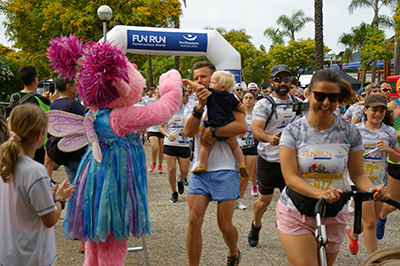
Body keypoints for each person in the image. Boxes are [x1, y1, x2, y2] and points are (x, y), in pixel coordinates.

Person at [276, 69, 389, 266]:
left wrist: (372, 190)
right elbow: (290, 178)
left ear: (339, 98)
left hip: (335, 211)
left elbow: (358, 174)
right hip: (296, 210)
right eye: (320, 96)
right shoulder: (292, 131)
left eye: (333, 97)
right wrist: (320, 193)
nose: (326, 103)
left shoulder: (349, 131)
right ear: (308, 94)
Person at [184, 61, 247, 266]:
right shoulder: (192, 105)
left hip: (226, 169)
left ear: (214, 80)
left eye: (204, 77)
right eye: (196, 78)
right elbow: (188, 132)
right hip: (200, 170)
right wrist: (200, 107)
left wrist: (214, 131)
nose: (199, 81)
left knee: (225, 225)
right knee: (194, 220)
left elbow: (241, 126)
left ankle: (232, 251)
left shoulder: (227, 99)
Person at [0, 104, 74, 266]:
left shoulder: (5, 165)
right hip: (32, 257)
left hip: (8, 254)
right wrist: (60, 199)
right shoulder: (35, 171)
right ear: (40, 134)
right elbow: (49, 220)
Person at [248, 64, 304, 247]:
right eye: (278, 79)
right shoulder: (264, 104)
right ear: (272, 82)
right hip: (269, 161)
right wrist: (268, 138)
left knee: (295, 203)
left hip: (292, 161)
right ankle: (256, 224)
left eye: (286, 79)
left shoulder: (298, 103)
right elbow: (256, 129)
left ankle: (293, 235)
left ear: (291, 81)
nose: (282, 82)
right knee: (264, 202)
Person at [345, 94, 400, 255]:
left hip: (379, 182)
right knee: (369, 222)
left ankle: (353, 233)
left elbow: (397, 157)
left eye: (382, 111)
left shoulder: (389, 131)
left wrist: (389, 150)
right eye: (374, 110)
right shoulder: (355, 130)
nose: (378, 114)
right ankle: (374, 260)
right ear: (365, 110)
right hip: (359, 180)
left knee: (373, 220)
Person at [50, 76, 87, 253]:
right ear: (68, 86)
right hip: (78, 155)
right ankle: (79, 231)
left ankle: (72, 228)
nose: (77, 88)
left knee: (74, 192)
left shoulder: (54, 104)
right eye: (75, 85)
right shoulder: (74, 105)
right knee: (82, 195)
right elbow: (87, 127)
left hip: (63, 155)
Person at [189, 71, 249, 178]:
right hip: (228, 125)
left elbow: (198, 87)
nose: (210, 85)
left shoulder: (212, 94)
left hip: (214, 125)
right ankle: (242, 163)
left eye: (213, 82)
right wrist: (244, 113)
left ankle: (202, 164)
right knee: (235, 146)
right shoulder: (231, 97)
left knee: (205, 144)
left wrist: (187, 81)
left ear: (222, 87)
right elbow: (242, 108)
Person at [9, 66, 55, 165]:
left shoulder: (15, 97)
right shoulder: (42, 100)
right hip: (35, 145)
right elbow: (48, 120)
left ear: (22, 80)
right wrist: (51, 102)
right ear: (35, 79)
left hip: (16, 141)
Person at [376, 82, 400, 240]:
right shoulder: (393, 106)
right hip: (396, 160)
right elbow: (379, 127)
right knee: (393, 203)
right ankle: (381, 216)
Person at [159, 89, 192, 203]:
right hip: (170, 144)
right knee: (171, 169)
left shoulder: (187, 110)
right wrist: (168, 135)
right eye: (185, 96)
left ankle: (180, 180)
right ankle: (174, 192)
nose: (187, 98)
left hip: (183, 144)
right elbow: (161, 127)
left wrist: (188, 131)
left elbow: (193, 125)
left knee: (184, 170)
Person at [236, 91, 258, 211]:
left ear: (254, 100)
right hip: (238, 146)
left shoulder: (257, 114)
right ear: (242, 99)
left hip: (251, 147)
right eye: (246, 98)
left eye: (250, 98)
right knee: (239, 174)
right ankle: (232, 196)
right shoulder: (239, 113)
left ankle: (239, 199)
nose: (248, 100)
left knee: (246, 175)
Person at [146, 85, 165, 174]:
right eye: (158, 89)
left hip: (162, 128)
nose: (159, 91)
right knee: (155, 147)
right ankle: (153, 162)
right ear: (155, 90)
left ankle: (160, 165)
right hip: (152, 128)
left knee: (161, 148)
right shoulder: (150, 101)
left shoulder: (165, 102)